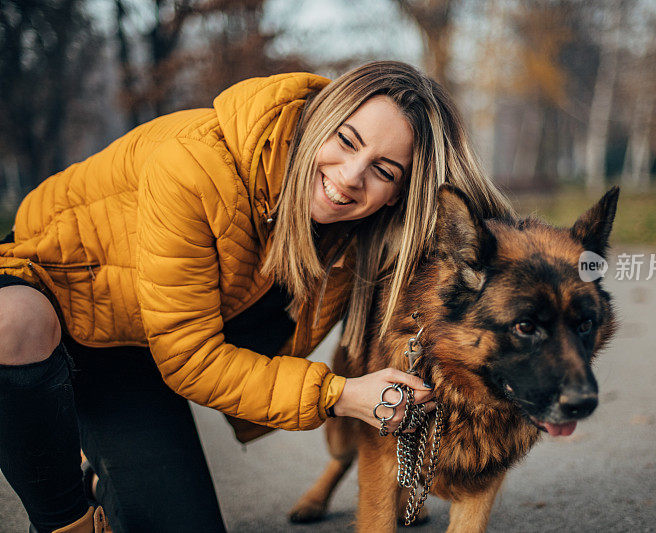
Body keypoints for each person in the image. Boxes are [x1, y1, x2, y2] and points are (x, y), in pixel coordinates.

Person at [0, 60, 512, 532]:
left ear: (400, 192)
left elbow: (473, 249)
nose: (350, 177)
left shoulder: (361, 230)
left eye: (383, 171)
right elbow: (190, 360)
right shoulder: (198, 165)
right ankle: (65, 514)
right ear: (319, 118)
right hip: (51, 290)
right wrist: (340, 395)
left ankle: (112, 472)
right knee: (12, 320)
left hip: (136, 345)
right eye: (347, 141)